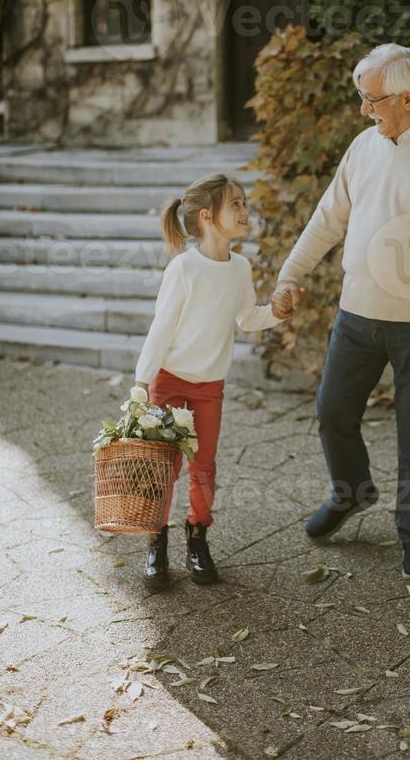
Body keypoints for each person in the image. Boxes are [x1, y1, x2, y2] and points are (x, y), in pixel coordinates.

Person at [274, 43, 410, 581]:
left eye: (370, 100)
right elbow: (328, 217)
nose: (364, 110)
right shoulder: (364, 146)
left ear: (409, 98)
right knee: (332, 413)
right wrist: (290, 273)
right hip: (356, 316)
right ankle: (352, 491)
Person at [134, 173, 292, 588]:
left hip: (209, 389)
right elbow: (161, 328)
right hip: (168, 383)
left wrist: (275, 311)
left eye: (244, 203)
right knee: (163, 469)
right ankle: (156, 543)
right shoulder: (183, 268)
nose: (245, 211)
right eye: (235, 204)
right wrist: (141, 383)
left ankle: (197, 538)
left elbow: (246, 317)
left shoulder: (240, 268)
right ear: (207, 216)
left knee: (203, 469)